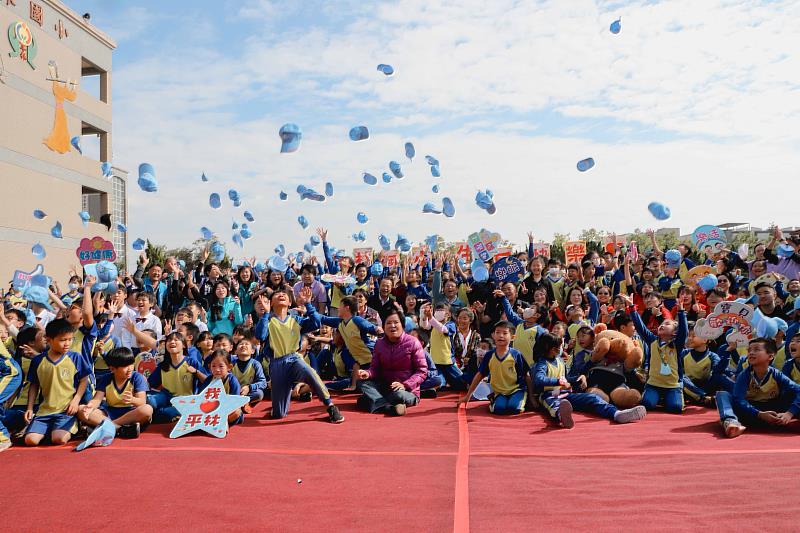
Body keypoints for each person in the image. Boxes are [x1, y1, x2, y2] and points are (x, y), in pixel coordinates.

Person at [254, 288, 344, 423]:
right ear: (271, 303)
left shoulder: (296, 320)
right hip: (277, 364)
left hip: (294, 358)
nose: (281, 294)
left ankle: (330, 406)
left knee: (311, 373)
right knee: (279, 414)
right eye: (277, 294)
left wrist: (308, 304)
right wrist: (266, 314)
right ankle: (285, 401)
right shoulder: (268, 321)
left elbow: (315, 323)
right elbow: (260, 335)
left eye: (284, 294)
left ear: (290, 303)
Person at [532, 332, 647, 428]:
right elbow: (538, 380)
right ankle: (562, 415)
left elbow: (566, 378)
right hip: (548, 394)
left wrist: (578, 378)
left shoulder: (560, 361)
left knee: (592, 397)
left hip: (565, 393)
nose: (563, 348)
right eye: (560, 346)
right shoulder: (542, 363)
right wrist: (558, 382)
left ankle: (616, 413)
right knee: (555, 404)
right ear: (553, 349)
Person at [24, 319, 92, 446]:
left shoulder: (75, 357)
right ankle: (49, 429)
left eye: (70, 339)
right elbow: (34, 385)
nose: (67, 343)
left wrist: (76, 400)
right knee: (30, 440)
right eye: (62, 340)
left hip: (66, 411)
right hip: (44, 411)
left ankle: (75, 427)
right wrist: (30, 408)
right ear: (49, 340)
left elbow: (84, 380)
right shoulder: (38, 361)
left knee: (58, 439)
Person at [716, 338, 800, 438]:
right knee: (722, 395)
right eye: (749, 350)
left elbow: (798, 390)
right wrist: (759, 414)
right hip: (751, 413)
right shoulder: (744, 375)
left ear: (770, 356)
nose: (751, 353)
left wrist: (789, 413)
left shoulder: (777, 375)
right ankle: (731, 422)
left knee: (794, 394)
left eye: (756, 349)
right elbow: (739, 400)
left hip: (774, 412)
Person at [356, 309, 428, 416]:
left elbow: (422, 371)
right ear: (384, 327)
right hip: (385, 388)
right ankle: (388, 407)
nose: (392, 326)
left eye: (396, 322)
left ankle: (376, 402)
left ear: (402, 325)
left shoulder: (413, 342)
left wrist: (405, 385)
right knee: (361, 383)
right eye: (388, 323)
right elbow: (375, 369)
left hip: (406, 390)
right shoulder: (379, 344)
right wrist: (368, 373)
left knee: (397, 396)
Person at [78, 347, 153, 438]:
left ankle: (109, 426)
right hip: (109, 413)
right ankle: (120, 429)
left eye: (131, 364)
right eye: (125, 366)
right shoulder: (106, 379)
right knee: (81, 409)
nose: (130, 368)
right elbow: (97, 400)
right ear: (113, 369)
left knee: (147, 409)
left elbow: (142, 402)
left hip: (131, 414)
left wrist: (132, 400)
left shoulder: (137, 377)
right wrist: (90, 406)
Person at [312, 295, 383, 392]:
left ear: (347, 308)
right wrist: (308, 306)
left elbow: (372, 328)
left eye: (340, 306)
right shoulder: (340, 323)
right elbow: (323, 318)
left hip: (373, 358)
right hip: (361, 362)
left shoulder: (357, 320)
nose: (338, 308)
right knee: (357, 380)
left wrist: (377, 330)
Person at [460, 321, 531, 415]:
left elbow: (526, 375)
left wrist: (532, 398)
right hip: (499, 392)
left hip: (516, 390)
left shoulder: (516, 354)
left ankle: (521, 399)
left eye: (505, 333)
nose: (501, 336)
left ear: (513, 337)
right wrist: (468, 396)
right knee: (499, 409)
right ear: (493, 335)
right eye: (497, 332)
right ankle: (494, 400)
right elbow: (480, 375)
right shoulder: (489, 355)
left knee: (514, 408)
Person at [630, 297, 688, 413]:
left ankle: (667, 398)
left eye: (667, 324)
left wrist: (681, 312)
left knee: (675, 408)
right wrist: (632, 309)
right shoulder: (652, 341)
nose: (662, 325)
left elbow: (684, 332)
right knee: (647, 404)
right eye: (662, 324)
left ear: (674, 332)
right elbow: (641, 328)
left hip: (672, 385)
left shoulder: (677, 344)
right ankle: (657, 397)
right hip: (653, 384)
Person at [147, 332, 206, 423]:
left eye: (176, 340)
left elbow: (207, 381)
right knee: (150, 400)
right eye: (169, 340)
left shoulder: (191, 362)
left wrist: (196, 372)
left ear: (183, 345)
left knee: (168, 413)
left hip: (185, 401)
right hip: (166, 397)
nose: (172, 342)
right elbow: (150, 383)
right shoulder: (163, 365)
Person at [420, 302, 465, 390]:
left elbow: (442, 329)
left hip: (448, 362)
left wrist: (431, 318)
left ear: (448, 314)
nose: (439, 312)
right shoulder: (432, 323)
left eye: (441, 310)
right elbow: (424, 325)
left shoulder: (451, 325)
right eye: (437, 310)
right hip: (435, 362)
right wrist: (424, 314)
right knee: (438, 382)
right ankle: (430, 389)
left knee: (461, 382)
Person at [199, 349, 244, 426]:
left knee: (237, 412)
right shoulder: (208, 380)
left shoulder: (232, 380)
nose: (217, 369)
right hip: (212, 410)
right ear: (209, 366)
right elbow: (201, 398)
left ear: (229, 367)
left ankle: (222, 423)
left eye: (221, 366)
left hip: (228, 410)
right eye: (213, 366)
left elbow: (235, 401)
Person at [231, 338, 268, 413]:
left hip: (248, 393)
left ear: (252, 351)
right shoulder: (231, 363)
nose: (243, 345)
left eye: (246, 344)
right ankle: (243, 404)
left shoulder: (255, 364)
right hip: (234, 392)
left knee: (259, 394)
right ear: (236, 351)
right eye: (241, 344)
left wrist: (249, 387)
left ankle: (242, 403)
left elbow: (263, 382)